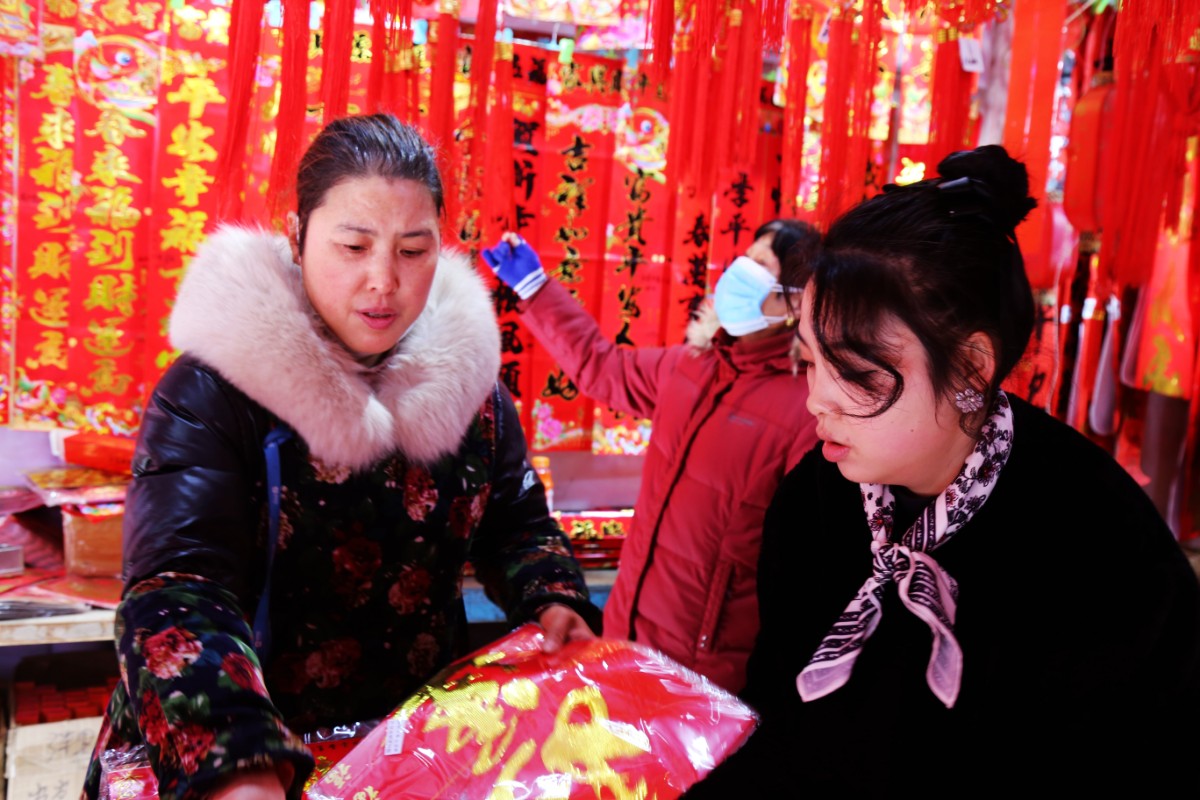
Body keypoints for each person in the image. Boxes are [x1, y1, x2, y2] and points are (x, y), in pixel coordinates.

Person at [81, 113, 601, 800]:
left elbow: (517, 525)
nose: (383, 280)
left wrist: (553, 599)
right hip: (245, 757)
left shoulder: (470, 389)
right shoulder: (215, 388)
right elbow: (179, 586)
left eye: (413, 250)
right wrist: (238, 763)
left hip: (405, 751)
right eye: (353, 246)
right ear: (297, 236)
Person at [685, 145, 1200, 794]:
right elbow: (779, 713)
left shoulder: (1100, 544)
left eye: (857, 374)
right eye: (810, 361)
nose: (817, 400)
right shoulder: (815, 495)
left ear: (969, 369)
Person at [481, 219, 821, 694]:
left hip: (710, 677)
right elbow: (604, 368)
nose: (739, 272)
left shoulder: (808, 411)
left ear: (796, 302)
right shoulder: (691, 366)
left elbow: (807, 574)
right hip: (624, 640)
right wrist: (536, 289)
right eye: (745, 258)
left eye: (761, 266)